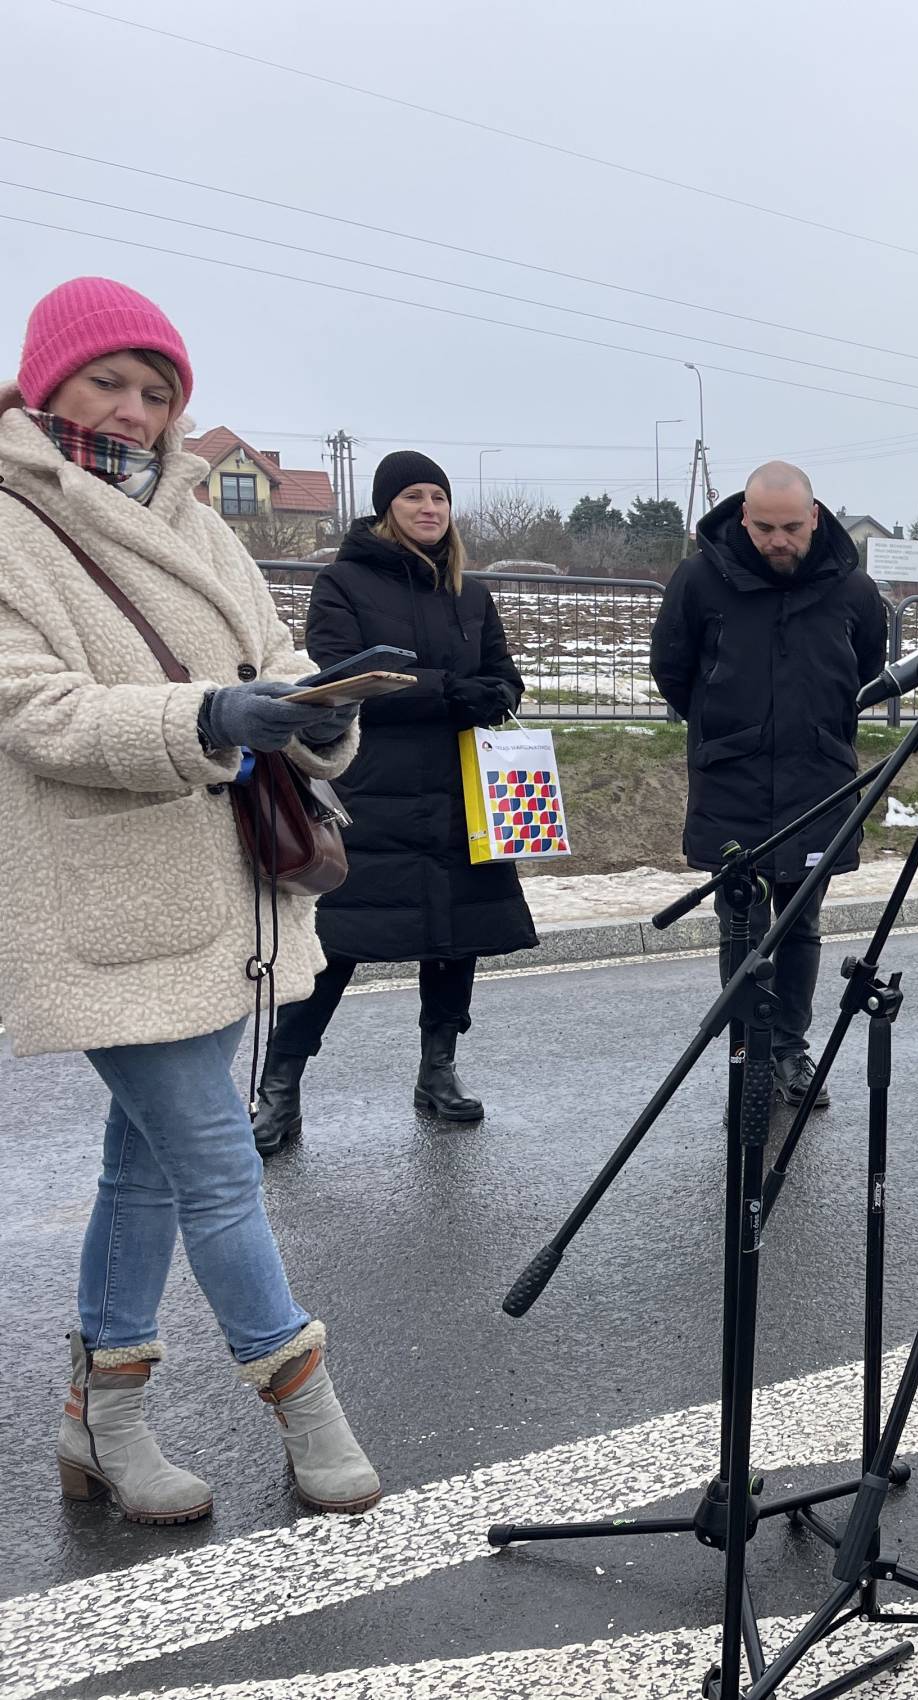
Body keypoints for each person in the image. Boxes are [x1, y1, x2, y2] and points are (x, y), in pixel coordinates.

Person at [0, 277, 380, 1522]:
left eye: (157, 390)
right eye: (109, 380)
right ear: (47, 380)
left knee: (147, 1166)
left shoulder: (198, 517)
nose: (136, 408)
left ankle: (98, 1415)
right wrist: (206, 716)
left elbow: (273, 654)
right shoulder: (9, 517)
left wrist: (316, 709)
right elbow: (32, 707)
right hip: (98, 899)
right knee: (216, 1160)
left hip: (221, 887)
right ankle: (306, 1404)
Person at [251, 451, 537, 1154]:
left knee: (455, 936)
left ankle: (438, 1072)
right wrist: (448, 690)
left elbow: (502, 671)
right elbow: (341, 676)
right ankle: (280, 1088)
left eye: (438, 495)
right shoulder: (343, 582)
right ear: (387, 508)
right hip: (372, 785)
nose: (429, 508)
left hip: (461, 788)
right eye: (413, 496)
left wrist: (498, 692)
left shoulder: (470, 592)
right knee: (338, 941)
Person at [649, 462, 887, 1108]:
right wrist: (729, 727)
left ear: (814, 518)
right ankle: (748, 1049)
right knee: (743, 927)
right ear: (743, 518)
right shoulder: (700, 579)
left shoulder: (853, 589)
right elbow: (672, 668)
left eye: (790, 528)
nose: (778, 541)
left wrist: (817, 729)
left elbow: (867, 668)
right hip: (734, 784)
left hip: (819, 783)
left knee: (801, 923)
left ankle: (788, 1049)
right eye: (764, 529)